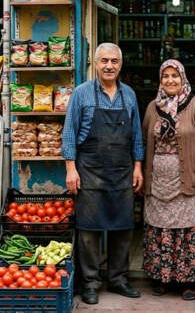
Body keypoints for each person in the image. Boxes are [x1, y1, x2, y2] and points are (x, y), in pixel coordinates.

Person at [62, 42, 144, 305]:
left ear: (120, 65)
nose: (109, 66)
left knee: (123, 228)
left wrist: (138, 166)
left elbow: (137, 136)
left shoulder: (129, 94)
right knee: (89, 231)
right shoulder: (81, 93)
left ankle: (118, 279)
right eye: (104, 61)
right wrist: (71, 168)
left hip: (122, 171)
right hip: (89, 172)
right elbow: (69, 134)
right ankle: (90, 283)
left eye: (114, 61)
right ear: (95, 64)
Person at [141, 59, 195, 300]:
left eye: (175, 75)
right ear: (160, 80)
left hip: (189, 182)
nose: (170, 80)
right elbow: (143, 142)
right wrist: (141, 174)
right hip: (158, 184)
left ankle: (189, 282)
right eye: (166, 76)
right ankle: (163, 278)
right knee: (160, 229)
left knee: (188, 230)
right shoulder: (153, 107)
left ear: (183, 78)